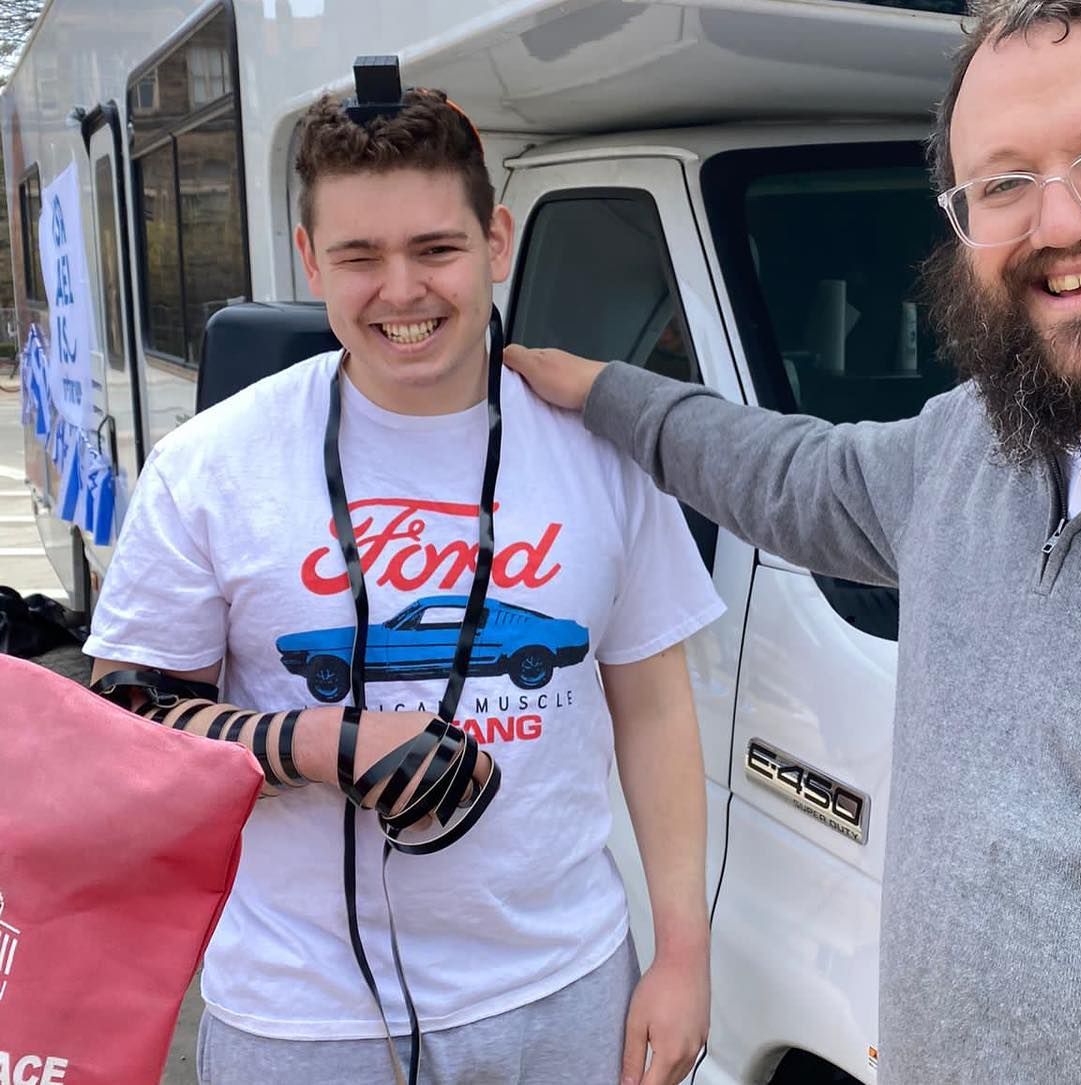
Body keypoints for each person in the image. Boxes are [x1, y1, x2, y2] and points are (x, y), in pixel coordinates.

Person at [502, 0, 1081, 1080]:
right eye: (1002, 184)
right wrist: (600, 389)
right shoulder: (972, 445)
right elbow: (779, 472)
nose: (1061, 224)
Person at [86, 84, 721, 1085]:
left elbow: (651, 706)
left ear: (497, 240)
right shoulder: (211, 463)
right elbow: (122, 724)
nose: (401, 290)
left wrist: (683, 950)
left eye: (436, 249)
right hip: (300, 1017)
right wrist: (323, 742)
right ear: (308, 260)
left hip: (564, 989)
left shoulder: (598, 450)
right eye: (358, 256)